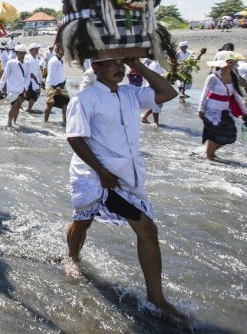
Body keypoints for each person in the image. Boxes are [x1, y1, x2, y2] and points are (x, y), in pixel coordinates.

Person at [65, 56, 188, 322]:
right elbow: (75, 138)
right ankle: (72, 257)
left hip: (125, 175)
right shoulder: (84, 99)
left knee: (146, 230)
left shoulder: (131, 94)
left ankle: (156, 299)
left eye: (122, 64)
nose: (118, 68)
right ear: (96, 68)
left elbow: (168, 92)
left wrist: (138, 64)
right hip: (97, 176)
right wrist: (102, 173)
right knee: (84, 220)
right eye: (112, 64)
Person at [198, 52, 247, 160]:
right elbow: (204, 93)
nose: (232, 64)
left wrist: (245, 112)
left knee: (230, 135)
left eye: (233, 62)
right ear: (222, 63)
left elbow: (235, 96)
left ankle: (209, 151)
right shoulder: (213, 77)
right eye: (229, 61)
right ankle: (209, 157)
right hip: (212, 109)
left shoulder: (233, 77)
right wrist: (200, 110)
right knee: (214, 135)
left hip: (225, 109)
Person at [0, 44, 30, 127]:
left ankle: (15, 122)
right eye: (21, 53)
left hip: (21, 88)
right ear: (16, 53)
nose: (22, 55)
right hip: (12, 88)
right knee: (13, 106)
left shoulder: (27, 64)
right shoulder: (11, 63)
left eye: (24, 53)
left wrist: (25, 87)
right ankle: (9, 122)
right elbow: (5, 76)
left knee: (18, 106)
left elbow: (27, 77)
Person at [43, 48, 69, 126]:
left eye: (63, 52)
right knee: (50, 104)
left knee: (66, 101)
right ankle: (45, 121)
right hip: (52, 85)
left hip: (61, 84)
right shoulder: (53, 61)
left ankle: (65, 121)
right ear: (57, 52)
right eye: (61, 52)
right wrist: (56, 88)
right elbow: (52, 75)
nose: (63, 53)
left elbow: (59, 73)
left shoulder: (60, 60)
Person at [140, 58, 167, 127]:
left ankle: (149, 118)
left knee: (158, 102)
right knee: (156, 102)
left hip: (161, 85)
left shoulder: (163, 64)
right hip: (153, 85)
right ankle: (148, 118)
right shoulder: (153, 64)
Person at [24, 43, 43, 113]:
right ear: (31, 50)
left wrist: (42, 80)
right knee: (28, 95)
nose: (37, 50)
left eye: (38, 49)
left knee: (34, 96)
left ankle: (29, 109)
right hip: (28, 79)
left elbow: (38, 71)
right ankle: (25, 108)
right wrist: (29, 75)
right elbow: (24, 68)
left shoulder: (36, 59)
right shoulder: (27, 57)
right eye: (36, 49)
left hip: (35, 81)